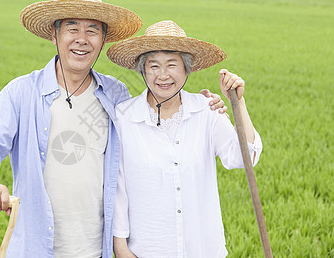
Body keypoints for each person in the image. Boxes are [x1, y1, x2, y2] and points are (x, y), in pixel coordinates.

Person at [0, 0, 226, 258]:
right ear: (54, 35)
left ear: (102, 41)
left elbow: (154, 128)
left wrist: (203, 104)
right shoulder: (21, 92)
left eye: (92, 30)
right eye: (72, 28)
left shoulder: (115, 95)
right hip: (35, 248)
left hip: (96, 249)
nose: (81, 39)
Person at [106, 20, 263, 258]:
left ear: (187, 69)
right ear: (142, 70)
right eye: (154, 66)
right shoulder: (124, 117)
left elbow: (245, 158)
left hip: (203, 249)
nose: (163, 75)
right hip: (147, 250)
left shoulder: (206, 111)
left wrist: (237, 103)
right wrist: (120, 247)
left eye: (172, 64)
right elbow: (117, 189)